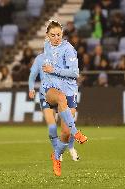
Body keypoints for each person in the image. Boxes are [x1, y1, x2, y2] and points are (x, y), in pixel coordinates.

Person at [41, 20, 87, 176]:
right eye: (52, 35)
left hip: (69, 91)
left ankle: (56, 155)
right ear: (47, 35)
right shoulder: (46, 46)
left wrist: (53, 70)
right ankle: (76, 131)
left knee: (65, 134)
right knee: (60, 97)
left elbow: (74, 74)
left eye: (58, 35)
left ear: (62, 34)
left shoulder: (68, 49)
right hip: (52, 90)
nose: (56, 38)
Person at [28, 53, 80, 162]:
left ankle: (71, 148)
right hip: (46, 94)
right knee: (52, 127)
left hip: (63, 93)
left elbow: (72, 73)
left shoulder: (64, 56)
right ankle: (57, 151)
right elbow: (32, 74)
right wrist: (31, 88)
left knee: (67, 128)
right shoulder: (40, 58)